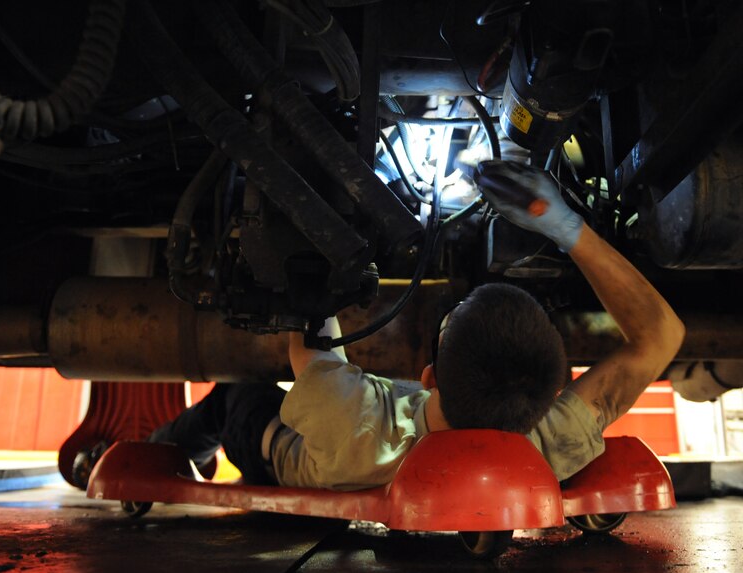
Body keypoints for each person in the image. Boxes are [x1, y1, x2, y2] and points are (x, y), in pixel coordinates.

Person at [150, 162, 685, 490]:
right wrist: (566, 227)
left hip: (278, 453)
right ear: (552, 392)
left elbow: (310, 330)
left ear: (427, 376)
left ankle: (168, 449)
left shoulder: (352, 419)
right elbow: (662, 336)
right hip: (344, 441)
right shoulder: (551, 443)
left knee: (234, 397)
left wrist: (325, 248)